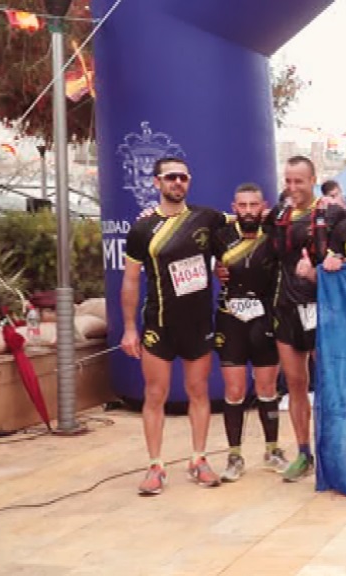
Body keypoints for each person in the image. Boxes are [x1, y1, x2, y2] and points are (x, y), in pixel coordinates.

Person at [121, 156, 230, 495]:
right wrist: (129, 328)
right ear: (157, 182)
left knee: (198, 391)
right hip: (160, 323)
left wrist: (220, 268)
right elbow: (130, 280)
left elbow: (247, 222)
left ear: (189, 181)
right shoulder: (142, 229)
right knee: (155, 394)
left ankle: (199, 459)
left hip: (198, 323)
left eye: (183, 177)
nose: (177, 182)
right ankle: (155, 466)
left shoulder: (207, 218)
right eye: (170, 177)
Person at [212, 183, 289, 481]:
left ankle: (272, 451)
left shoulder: (273, 234)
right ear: (234, 207)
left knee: (267, 389)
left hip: (265, 318)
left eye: (253, 205)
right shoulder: (221, 236)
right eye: (242, 205)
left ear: (263, 207)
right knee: (234, 390)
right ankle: (234, 457)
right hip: (231, 320)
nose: (247, 211)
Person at [268, 155, 331, 482]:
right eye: (288, 181)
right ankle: (304, 453)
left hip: (322, 308)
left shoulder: (331, 213)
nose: (293, 187)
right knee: (295, 383)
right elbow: (239, 223)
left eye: (299, 181)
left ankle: (332, 452)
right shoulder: (278, 215)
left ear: (313, 180)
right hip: (287, 308)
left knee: (329, 384)